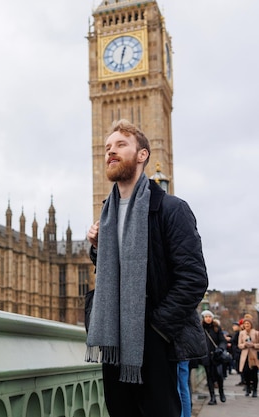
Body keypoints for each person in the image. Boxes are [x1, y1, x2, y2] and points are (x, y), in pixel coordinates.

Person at [85, 119, 208, 417]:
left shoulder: (171, 208)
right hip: (114, 342)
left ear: (142, 155)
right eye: (107, 148)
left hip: (155, 341)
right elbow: (114, 273)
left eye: (120, 145)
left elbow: (193, 279)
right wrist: (98, 248)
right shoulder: (107, 211)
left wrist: (157, 330)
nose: (111, 152)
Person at [201, 310, 227, 405]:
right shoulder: (200, 329)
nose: (208, 318)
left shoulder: (216, 328)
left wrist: (220, 348)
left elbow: (223, 341)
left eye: (209, 316)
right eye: (206, 317)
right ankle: (212, 397)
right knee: (209, 377)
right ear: (203, 318)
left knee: (219, 375)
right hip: (206, 356)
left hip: (217, 356)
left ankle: (221, 392)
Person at [238, 317, 259, 397]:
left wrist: (253, 345)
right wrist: (244, 345)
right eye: (245, 324)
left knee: (254, 373)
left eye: (248, 324)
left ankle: (255, 389)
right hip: (245, 355)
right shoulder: (242, 333)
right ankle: (247, 388)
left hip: (253, 356)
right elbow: (239, 345)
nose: (247, 325)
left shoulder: (256, 333)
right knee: (245, 373)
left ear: (251, 325)